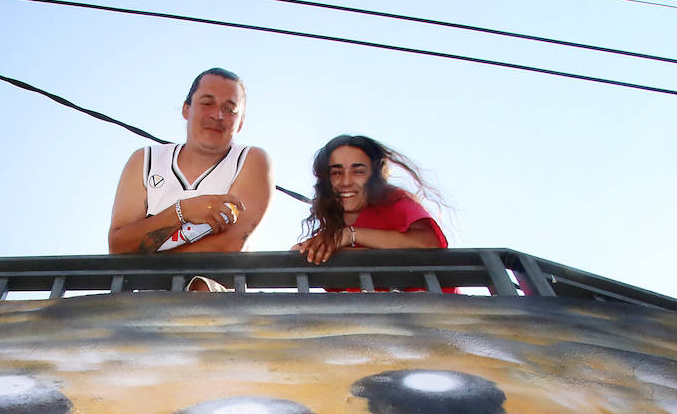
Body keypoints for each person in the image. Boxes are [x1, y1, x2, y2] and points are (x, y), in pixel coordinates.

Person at [108, 68, 274, 256]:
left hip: (213, 285)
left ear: (241, 122)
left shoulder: (250, 160)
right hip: (148, 287)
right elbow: (118, 246)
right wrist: (181, 211)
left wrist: (149, 254)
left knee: (202, 286)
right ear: (186, 109)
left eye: (229, 109)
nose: (217, 115)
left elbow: (229, 246)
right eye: (207, 103)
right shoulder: (146, 160)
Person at [296, 135, 449, 271]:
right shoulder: (334, 225)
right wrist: (306, 254)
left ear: (374, 174)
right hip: (376, 302)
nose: (346, 182)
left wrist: (352, 235)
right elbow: (335, 283)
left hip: (427, 302)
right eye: (336, 173)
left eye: (358, 172)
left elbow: (431, 243)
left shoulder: (393, 201)